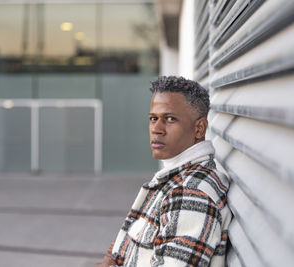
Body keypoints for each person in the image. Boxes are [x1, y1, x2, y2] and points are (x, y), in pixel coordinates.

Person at [97, 76, 231, 266]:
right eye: (153, 118)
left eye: (170, 119)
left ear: (199, 128)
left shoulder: (190, 194)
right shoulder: (176, 178)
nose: (156, 129)